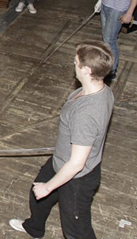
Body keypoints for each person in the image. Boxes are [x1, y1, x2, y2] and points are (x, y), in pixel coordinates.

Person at [9, 40, 114, 239]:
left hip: (77, 179)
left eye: (76, 62)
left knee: (77, 231)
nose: (73, 65)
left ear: (87, 70)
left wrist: (48, 187)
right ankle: (35, 228)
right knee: (37, 195)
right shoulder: (103, 90)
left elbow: (76, 164)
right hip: (61, 160)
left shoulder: (86, 115)